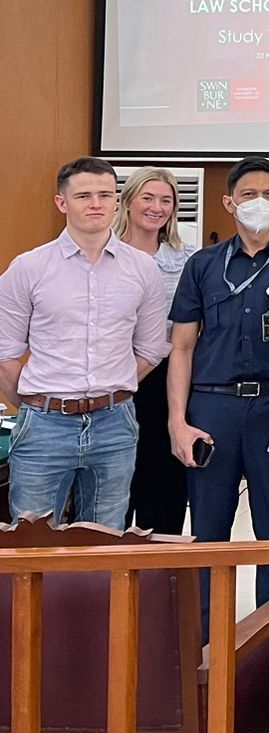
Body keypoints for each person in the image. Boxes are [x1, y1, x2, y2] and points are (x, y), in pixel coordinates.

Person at [167, 156, 269, 608]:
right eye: (248, 194)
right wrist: (178, 422)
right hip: (212, 410)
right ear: (229, 202)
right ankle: (201, 650)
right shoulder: (203, 265)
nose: (259, 202)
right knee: (208, 534)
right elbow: (181, 347)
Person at [0, 158, 169, 528]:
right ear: (62, 203)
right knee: (32, 545)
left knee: (106, 542)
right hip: (44, 423)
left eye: (105, 194)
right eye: (84, 195)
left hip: (115, 423)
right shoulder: (28, 268)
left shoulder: (142, 269)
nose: (96, 203)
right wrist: (36, 404)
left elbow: (152, 348)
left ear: (116, 201)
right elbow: (5, 352)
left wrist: (113, 387)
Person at [113, 165, 197, 533]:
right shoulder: (101, 254)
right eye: (148, 197)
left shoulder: (189, 260)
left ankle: (160, 586)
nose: (156, 207)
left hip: (166, 380)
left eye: (166, 200)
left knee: (162, 490)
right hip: (110, 379)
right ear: (128, 201)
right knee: (112, 491)